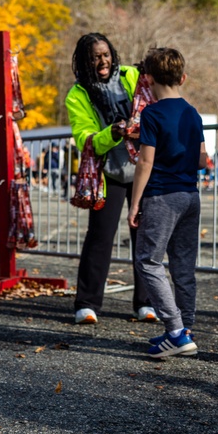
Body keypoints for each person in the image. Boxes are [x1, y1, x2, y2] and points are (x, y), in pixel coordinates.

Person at [65, 33, 156, 324]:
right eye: (94, 57)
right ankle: (87, 304)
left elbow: (158, 96)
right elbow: (84, 138)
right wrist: (112, 133)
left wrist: (151, 71)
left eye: (105, 54)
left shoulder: (132, 75)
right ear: (84, 61)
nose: (101, 61)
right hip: (108, 175)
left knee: (145, 236)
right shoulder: (77, 94)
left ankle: (145, 302)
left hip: (144, 169)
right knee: (100, 239)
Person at [127, 48, 208, 358]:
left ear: (147, 78)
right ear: (183, 78)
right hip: (190, 194)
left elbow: (145, 162)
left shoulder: (152, 113)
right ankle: (185, 329)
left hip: (162, 195)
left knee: (148, 261)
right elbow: (202, 159)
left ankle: (175, 330)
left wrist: (135, 203)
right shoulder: (192, 112)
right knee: (183, 267)